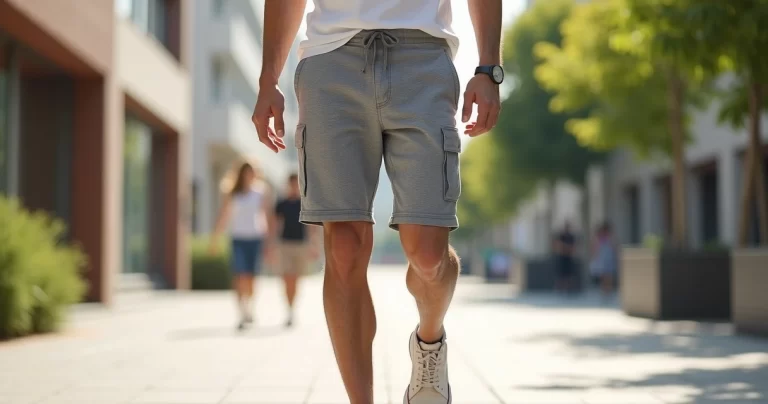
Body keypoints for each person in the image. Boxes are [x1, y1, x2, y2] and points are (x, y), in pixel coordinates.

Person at [251, 0, 502, 402]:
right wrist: (268, 79)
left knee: (428, 255)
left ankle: (429, 341)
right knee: (344, 249)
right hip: (330, 59)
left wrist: (489, 68)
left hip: (422, 56)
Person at [210, 162, 275, 331]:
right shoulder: (233, 192)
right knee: (239, 275)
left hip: (255, 238)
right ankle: (241, 312)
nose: (249, 175)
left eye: (251, 172)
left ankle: (249, 308)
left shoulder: (260, 192)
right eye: (246, 172)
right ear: (241, 174)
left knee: (251, 277)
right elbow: (224, 216)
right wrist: (215, 239)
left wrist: (270, 243)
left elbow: (267, 216)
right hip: (238, 239)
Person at [274, 173, 319, 327]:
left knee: (296, 278)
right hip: (285, 244)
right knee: (287, 277)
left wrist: (313, 245)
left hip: (301, 245)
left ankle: (292, 308)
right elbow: (275, 225)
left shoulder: (304, 203)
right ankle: (289, 308)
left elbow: (311, 226)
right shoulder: (282, 204)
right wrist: (272, 245)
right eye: (291, 184)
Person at [589, 222, 619, 298]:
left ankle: (608, 290)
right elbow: (595, 247)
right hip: (602, 258)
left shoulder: (610, 237)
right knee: (603, 275)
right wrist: (594, 256)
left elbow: (614, 247)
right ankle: (604, 291)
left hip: (608, 258)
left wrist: (616, 256)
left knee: (609, 275)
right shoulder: (598, 237)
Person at [554, 221, 577, 294]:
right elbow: (559, 245)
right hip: (562, 257)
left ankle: (569, 289)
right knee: (561, 274)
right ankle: (560, 289)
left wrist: (566, 248)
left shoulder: (571, 236)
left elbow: (573, 247)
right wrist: (565, 247)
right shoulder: (562, 236)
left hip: (569, 257)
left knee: (569, 274)